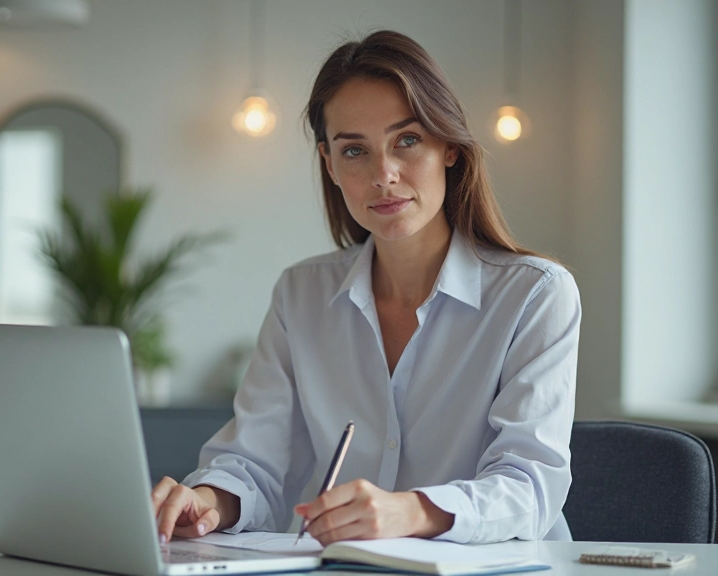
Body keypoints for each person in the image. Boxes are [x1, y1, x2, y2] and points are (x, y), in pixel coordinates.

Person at [151, 30, 580, 546]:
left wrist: (411, 513)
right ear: (329, 164)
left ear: (448, 146)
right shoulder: (300, 295)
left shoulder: (536, 295)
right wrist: (207, 504)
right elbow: (252, 462)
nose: (384, 174)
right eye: (355, 150)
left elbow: (530, 488)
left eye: (407, 140)